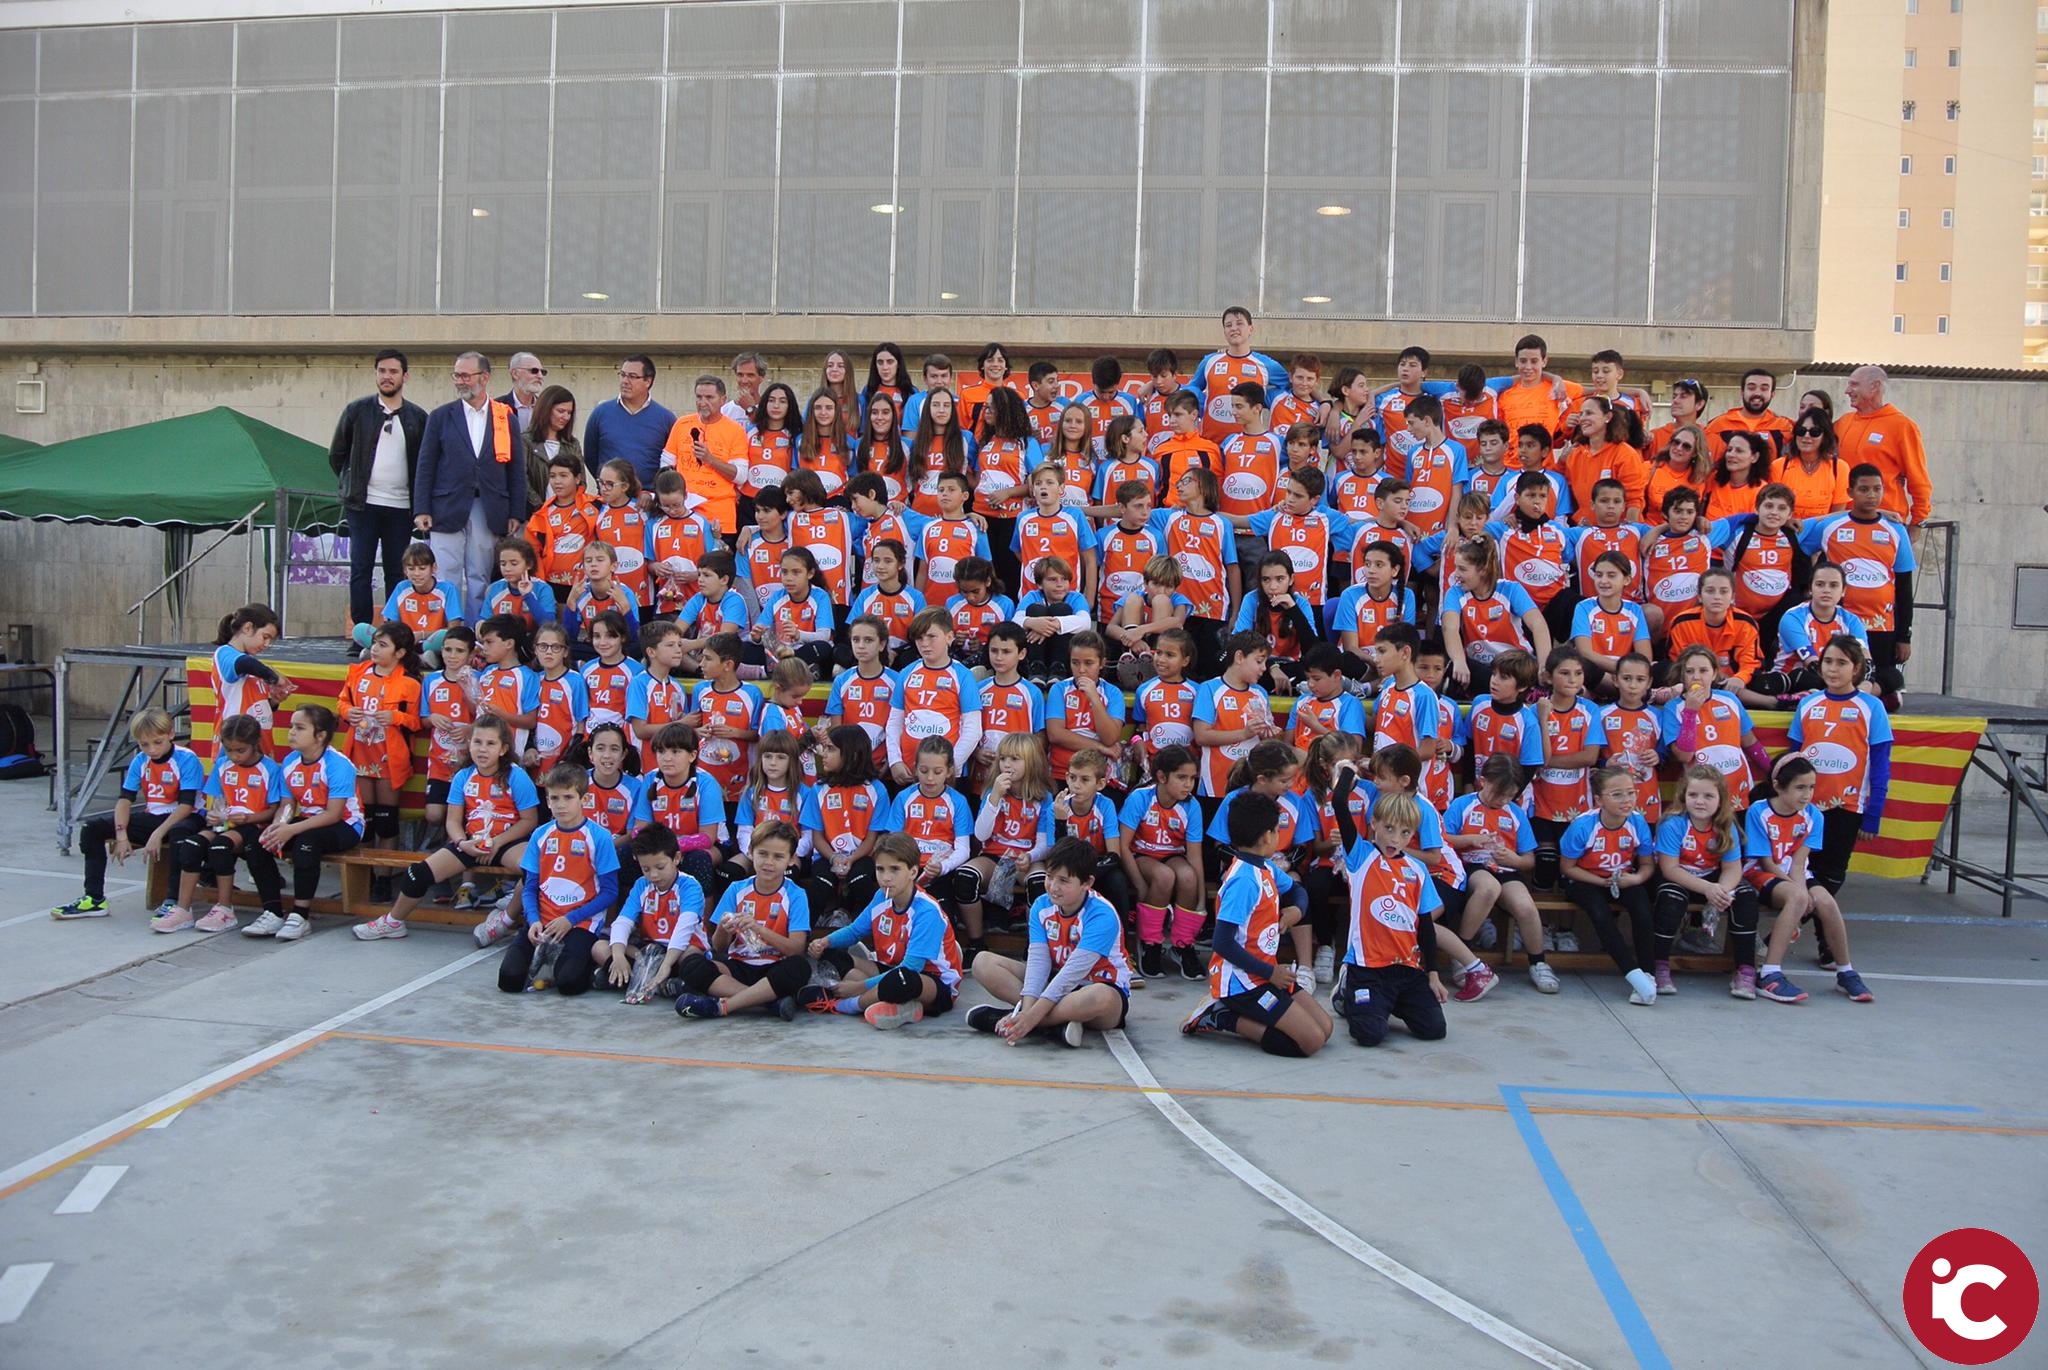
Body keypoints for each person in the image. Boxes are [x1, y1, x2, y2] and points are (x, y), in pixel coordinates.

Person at [1179, 791, 1333, 1057]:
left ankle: (1249, 1012)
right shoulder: (1244, 881)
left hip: (1265, 974)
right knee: (1310, 1042)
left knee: (1325, 1028)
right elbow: (1222, 943)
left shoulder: (1266, 868)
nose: (1279, 836)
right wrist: (1270, 972)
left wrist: (1295, 911)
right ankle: (1221, 1016)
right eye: (1277, 830)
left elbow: (1298, 891)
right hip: (1243, 983)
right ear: (1266, 837)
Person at [355, 714, 533, 942]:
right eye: (477, 742)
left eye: (491, 743)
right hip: (471, 841)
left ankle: (504, 922)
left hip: (508, 842)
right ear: (469, 744)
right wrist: (462, 843)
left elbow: (529, 820)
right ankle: (393, 922)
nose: (482, 749)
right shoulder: (463, 776)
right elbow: (452, 821)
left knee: (534, 871)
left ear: (503, 749)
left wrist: (497, 843)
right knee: (417, 873)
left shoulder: (516, 776)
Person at [966, 836, 1131, 1046]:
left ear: (1087, 883)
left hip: (1095, 986)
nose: (1053, 886)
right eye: (1050, 877)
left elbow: (1072, 973)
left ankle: (1017, 1020)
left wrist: (1030, 1017)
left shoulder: (1102, 915)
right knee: (982, 962)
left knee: (1101, 997)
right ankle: (1050, 1025)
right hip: (1052, 980)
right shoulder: (1041, 905)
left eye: (1063, 881)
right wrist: (1029, 1009)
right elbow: (1038, 963)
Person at [1326, 776, 1450, 1046]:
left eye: (1405, 832)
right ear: (1374, 823)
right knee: (1369, 1034)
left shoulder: (1418, 870)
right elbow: (1339, 802)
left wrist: (1432, 974)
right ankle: (1347, 991)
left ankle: (1385, 1002)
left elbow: (1425, 926)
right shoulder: (1360, 855)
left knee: (1434, 1029)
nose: (1395, 838)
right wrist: (1347, 772)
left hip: (1406, 968)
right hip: (1367, 967)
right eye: (1389, 828)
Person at [52, 708, 204, 923]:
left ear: (170, 734)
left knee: (179, 834)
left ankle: (173, 901)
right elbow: (124, 801)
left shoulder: (186, 759)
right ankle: (94, 898)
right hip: (154, 816)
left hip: (186, 817)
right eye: (144, 744)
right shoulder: (140, 761)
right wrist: (121, 835)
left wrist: (158, 833)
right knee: (91, 829)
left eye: (157, 742)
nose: (151, 749)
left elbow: (186, 806)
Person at [806, 831, 966, 1028]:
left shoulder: (927, 911)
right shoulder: (881, 897)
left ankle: (848, 1004)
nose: (886, 878)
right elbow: (855, 931)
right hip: (892, 966)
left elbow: (911, 968)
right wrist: (824, 942)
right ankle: (896, 1004)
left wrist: (857, 987)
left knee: (901, 979)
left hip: (930, 982)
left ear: (913, 872)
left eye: (894, 869)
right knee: (831, 954)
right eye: (880, 869)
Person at [1748, 755, 1874, 1004]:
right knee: (1797, 897)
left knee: (1827, 902)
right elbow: (1767, 863)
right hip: (1761, 873)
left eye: (1811, 787)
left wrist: (1802, 889)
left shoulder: (1814, 816)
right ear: (1778, 786)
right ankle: (1769, 974)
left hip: (1795, 874)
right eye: (1800, 787)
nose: (1807, 795)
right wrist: (1800, 893)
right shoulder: (1759, 811)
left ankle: (1845, 971)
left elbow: (1798, 863)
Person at [414, 351, 528, 614]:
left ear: (484, 378)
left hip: (488, 507)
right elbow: (425, 465)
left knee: (480, 576)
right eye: (457, 375)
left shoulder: (505, 417)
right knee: (446, 575)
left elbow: (516, 469)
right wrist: (421, 508)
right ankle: (448, 630)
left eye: (466, 375)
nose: (460, 381)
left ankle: (477, 630)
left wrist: (516, 512)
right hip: (446, 508)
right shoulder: (440, 416)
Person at [495, 764, 620, 996]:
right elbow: (530, 887)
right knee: (508, 980)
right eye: (554, 798)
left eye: (568, 797)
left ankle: (590, 966)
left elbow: (610, 892)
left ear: (583, 799)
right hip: (544, 920)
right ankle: (548, 955)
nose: (561, 804)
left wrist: (570, 919)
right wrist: (533, 920)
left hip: (580, 922)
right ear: (548, 800)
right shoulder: (540, 835)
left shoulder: (599, 837)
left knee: (569, 983)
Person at [1799, 464, 1917, 707]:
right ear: (1850, 492)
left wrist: (1904, 635)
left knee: (1883, 673)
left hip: (1881, 623)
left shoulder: (1895, 529)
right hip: (1840, 622)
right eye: (1864, 489)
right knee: (1836, 671)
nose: (1871, 495)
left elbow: (1904, 586)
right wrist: (1806, 588)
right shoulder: (1830, 526)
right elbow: (1797, 537)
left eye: (1877, 489)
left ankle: (1870, 699)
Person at [1786, 636, 1894, 899]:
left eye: (1841, 663)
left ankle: (1805, 920)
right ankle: (1807, 920)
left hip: (1847, 808)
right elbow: (1793, 760)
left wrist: (1873, 815)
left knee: (1832, 875)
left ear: (1856, 668)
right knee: (1802, 871)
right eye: (1828, 662)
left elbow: (1881, 767)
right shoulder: (1807, 704)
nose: (1832, 669)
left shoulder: (1872, 707)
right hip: (1806, 808)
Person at [672, 821, 814, 1020]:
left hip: (774, 966)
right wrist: (724, 928)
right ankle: (768, 1002)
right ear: (750, 852)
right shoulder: (736, 889)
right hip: (739, 965)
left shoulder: (796, 894)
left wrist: (758, 929)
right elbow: (719, 947)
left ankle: (723, 1006)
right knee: (692, 965)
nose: (769, 862)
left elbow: (796, 949)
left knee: (799, 967)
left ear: (791, 860)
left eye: (778, 857)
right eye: (762, 854)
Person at [328, 348, 428, 631]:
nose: (387, 376)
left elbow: (425, 463)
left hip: (401, 506)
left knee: (398, 570)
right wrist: (352, 484)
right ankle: (362, 631)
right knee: (361, 568)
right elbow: (337, 454)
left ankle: (394, 631)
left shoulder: (418, 417)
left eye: (393, 371)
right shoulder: (356, 411)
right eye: (382, 371)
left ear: (405, 376)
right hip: (364, 504)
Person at [257, 705, 367, 942]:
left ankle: (300, 915)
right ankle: (272, 911)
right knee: (260, 840)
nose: (291, 732)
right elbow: (287, 804)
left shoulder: (338, 764)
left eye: (299, 728)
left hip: (346, 824)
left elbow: (333, 815)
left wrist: (290, 830)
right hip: (308, 821)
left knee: (307, 843)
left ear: (320, 735)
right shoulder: (289, 762)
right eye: (291, 726)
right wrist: (278, 825)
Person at [1655, 764, 1762, 999]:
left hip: (1713, 879)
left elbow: (1732, 868)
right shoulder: (1673, 824)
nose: (1700, 801)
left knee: (1745, 896)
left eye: (1708, 796)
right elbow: (1669, 869)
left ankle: (1745, 970)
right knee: (1670, 898)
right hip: (1681, 878)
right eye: (1693, 795)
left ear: (1720, 799)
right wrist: (1709, 889)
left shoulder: (1726, 826)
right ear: (1683, 796)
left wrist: (1721, 891)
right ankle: (1659, 965)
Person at [1558, 766, 1661, 1006]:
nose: (1626, 800)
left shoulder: (1638, 822)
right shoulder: (1583, 825)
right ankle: (1633, 975)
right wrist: (1602, 881)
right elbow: (1567, 868)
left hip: (1623, 878)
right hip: (1585, 879)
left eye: (1631, 793)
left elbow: (1647, 864)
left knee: (1643, 910)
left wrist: (1636, 879)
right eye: (1617, 795)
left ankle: (1648, 973)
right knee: (1600, 913)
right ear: (1599, 800)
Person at [180, 714, 288, 935]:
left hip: (253, 825)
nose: (234, 756)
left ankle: (225, 908)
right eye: (229, 750)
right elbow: (216, 801)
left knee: (219, 847)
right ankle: (182, 909)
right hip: (226, 823)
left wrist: (248, 818)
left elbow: (273, 810)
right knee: (191, 845)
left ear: (255, 743)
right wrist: (214, 815)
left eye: (240, 750)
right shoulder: (222, 765)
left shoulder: (270, 769)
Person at [1118, 744, 1205, 980]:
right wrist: (1140, 885)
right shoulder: (1140, 798)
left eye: (1192, 779)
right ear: (1162, 777)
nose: (1188, 784)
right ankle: (1150, 943)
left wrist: (1200, 897)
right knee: (1164, 877)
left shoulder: (1192, 806)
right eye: (1182, 778)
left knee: (1188, 876)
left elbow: (1194, 855)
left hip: (1172, 855)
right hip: (1141, 855)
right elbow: (1123, 846)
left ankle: (1182, 944)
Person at [604, 824, 708, 1004]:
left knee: (691, 960)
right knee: (600, 947)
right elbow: (623, 922)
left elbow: (684, 928)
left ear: (676, 858)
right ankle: (653, 981)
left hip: (680, 950)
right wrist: (619, 956)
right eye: (646, 869)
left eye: (660, 867)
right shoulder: (641, 885)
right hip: (648, 950)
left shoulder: (689, 886)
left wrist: (666, 964)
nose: (653, 875)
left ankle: (637, 979)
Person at [1833, 365, 1932, 527]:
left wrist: (1917, 522)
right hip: (1846, 519)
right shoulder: (1843, 422)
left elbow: (1918, 478)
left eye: (1854, 384)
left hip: (1886, 520)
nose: (1847, 391)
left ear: (1874, 386)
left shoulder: (1902, 426)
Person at [662, 374, 748, 539]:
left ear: (723, 400)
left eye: (709, 397)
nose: (702, 402)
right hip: (682, 511)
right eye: (699, 397)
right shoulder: (682, 424)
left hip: (718, 516)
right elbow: (666, 464)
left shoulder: (735, 430)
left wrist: (711, 460)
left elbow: (741, 476)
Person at [1190, 305, 1287, 443]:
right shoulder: (1210, 361)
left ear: (1250, 329)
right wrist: (1202, 405)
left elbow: (1294, 387)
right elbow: (1192, 388)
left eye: (1239, 323)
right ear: (1224, 331)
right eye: (1228, 325)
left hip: (1248, 445)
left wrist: (1321, 401)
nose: (1234, 328)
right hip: (1211, 444)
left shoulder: (1266, 365)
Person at [583, 354, 676, 495]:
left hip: (648, 499)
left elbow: (672, 463)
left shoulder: (666, 419)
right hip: (609, 499)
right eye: (622, 375)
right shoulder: (601, 413)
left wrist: (652, 494)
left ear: (648, 381)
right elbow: (590, 457)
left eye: (632, 376)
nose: (625, 381)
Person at [1703, 366, 1792, 462]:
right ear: (1742, 392)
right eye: (1751, 388)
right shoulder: (1718, 425)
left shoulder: (1784, 426)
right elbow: (1708, 464)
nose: (1757, 393)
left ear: (1772, 394)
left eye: (1764, 389)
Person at [520, 385, 582, 516]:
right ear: (546, 409)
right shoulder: (525, 441)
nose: (566, 417)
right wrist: (541, 507)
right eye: (561, 411)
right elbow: (522, 479)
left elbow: (581, 481)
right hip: (535, 515)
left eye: (569, 413)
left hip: (568, 516)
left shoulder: (573, 444)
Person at [501, 351, 547, 438]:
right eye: (534, 371)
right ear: (515, 374)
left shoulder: (546, 408)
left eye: (543, 372)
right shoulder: (497, 407)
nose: (540, 376)